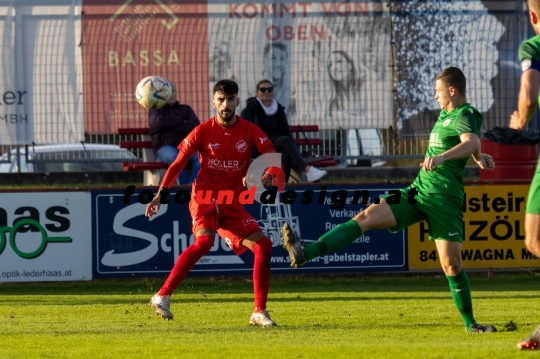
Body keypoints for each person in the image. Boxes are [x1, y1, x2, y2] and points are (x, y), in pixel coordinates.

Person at [281, 67, 498, 333]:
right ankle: (305, 252)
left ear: (452, 90)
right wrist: (477, 156)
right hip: (418, 190)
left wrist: (451, 156)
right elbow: (469, 145)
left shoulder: (464, 113)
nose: (435, 96)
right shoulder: (446, 113)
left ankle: (471, 324)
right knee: (366, 216)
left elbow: (470, 140)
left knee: (451, 265)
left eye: (438, 91)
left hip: (444, 199)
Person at [145, 79, 278, 327]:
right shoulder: (203, 131)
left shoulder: (249, 130)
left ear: (237, 101)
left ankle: (259, 311)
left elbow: (271, 155)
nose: (225, 104)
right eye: (220, 99)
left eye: (230, 99)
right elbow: (177, 164)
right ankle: (162, 296)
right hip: (205, 196)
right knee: (205, 241)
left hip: (231, 200)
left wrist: (269, 174)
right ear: (213, 102)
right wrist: (160, 193)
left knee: (264, 246)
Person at [508, 0, 540, 350]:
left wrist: (521, 118)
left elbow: (529, 95)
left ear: (532, 17)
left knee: (533, 239)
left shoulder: (533, 45)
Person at [240, 79, 327, 183]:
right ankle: (308, 170)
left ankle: (282, 185)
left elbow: (286, 130)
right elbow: (245, 133)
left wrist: (292, 149)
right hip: (259, 147)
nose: (266, 92)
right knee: (285, 140)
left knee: (286, 153)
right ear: (257, 92)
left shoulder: (278, 110)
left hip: (277, 145)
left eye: (269, 89)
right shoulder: (249, 110)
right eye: (263, 90)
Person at [148, 81, 201, 184]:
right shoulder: (155, 109)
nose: (171, 93)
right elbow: (158, 123)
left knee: (201, 157)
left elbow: (195, 124)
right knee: (176, 158)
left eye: (173, 91)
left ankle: (192, 187)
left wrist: (172, 126)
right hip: (165, 148)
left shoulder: (186, 109)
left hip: (187, 145)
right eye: (168, 91)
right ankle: (184, 188)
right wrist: (182, 120)